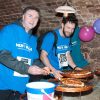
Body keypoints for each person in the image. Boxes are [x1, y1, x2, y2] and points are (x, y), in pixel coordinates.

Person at [0, 6, 50, 100]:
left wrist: (43, 68)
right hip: (4, 86)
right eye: (30, 16)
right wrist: (27, 69)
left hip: (21, 87)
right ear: (23, 17)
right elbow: (2, 55)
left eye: (36, 18)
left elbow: (34, 60)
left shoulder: (33, 39)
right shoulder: (9, 30)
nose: (33, 20)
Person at [40, 13, 82, 79]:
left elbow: (67, 55)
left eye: (72, 29)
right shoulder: (51, 36)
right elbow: (43, 56)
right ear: (62, 25)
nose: (70, 31)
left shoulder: (68, 37)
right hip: (49, 74)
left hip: (60, 72)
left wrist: (75, 67)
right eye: (68, 28)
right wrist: (54, 71)